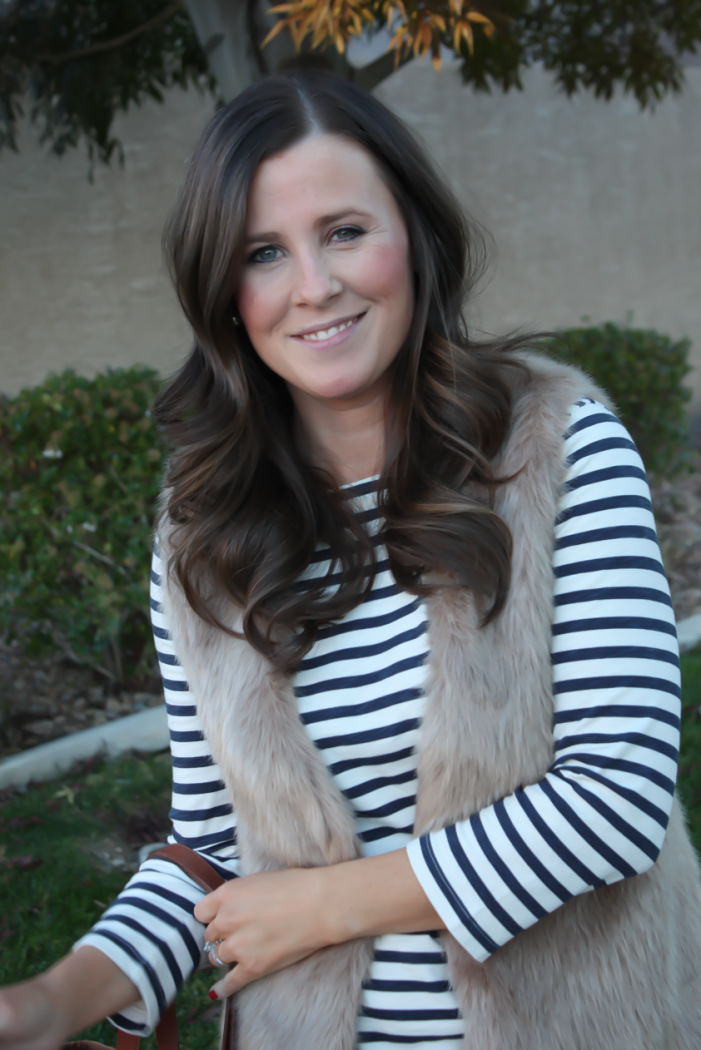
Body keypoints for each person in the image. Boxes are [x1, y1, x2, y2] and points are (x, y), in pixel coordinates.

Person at [1, 69, 700, 1050]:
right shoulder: (201, 535)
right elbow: (207, 851)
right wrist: (52, 1001)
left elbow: (615, 797)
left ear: (410, 232)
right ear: (222, 290)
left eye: (343, 231)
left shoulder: (557, 447)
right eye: (262, 252)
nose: (313, 287)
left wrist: (328, 905)